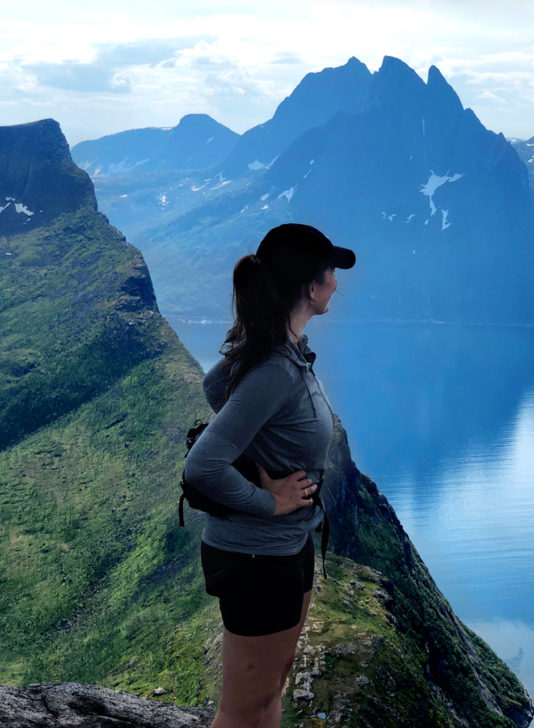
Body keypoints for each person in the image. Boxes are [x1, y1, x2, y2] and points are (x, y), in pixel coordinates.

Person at [183, 223, 355, 728]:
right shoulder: (277, 368)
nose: (336, 283)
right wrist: (269, 499)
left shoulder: (280, 351)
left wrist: (261, 437)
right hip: (255, 555)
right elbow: (204, 464)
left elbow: (216, 386)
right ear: (310, 286)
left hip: (283, 549)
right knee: (241, 711)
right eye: (331, 272)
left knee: (267, 696)